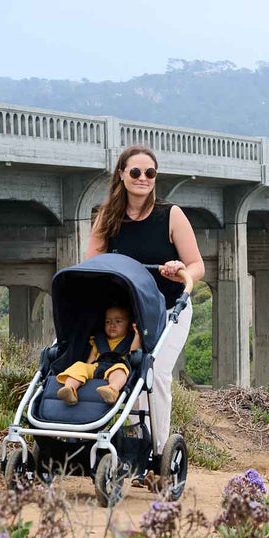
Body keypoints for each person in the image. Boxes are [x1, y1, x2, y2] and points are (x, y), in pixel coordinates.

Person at [85, 144, 205, 454]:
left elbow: (197, 265)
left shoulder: (171, 215)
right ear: (121, 174)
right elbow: (92, 265)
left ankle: (157, 450)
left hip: (167, 310)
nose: (143, 178)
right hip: (125, 314)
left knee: (156, 374)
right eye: (136, 172)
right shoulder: (106, 218)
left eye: (149, 173)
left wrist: (179, 268)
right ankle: (119, 438)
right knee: (115, 370)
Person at [54, 304, 142, 405]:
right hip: (97, 366)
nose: (112, 325)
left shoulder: (130, 340)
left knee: (120, 370)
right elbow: (90, 361)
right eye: (108, 322)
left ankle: (112, 389)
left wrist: (137, 335)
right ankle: (69, 388)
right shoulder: (99, 341)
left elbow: (135, 354)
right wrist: (87, 370)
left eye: (118, 321)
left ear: (129, 325)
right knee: (79, 366)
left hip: (117, 366)